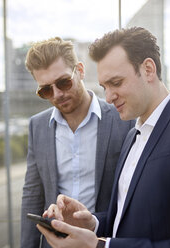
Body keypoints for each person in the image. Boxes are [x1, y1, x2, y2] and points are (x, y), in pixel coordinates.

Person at [38, 27, 170, 248]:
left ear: (148, 69)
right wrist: (91, 223)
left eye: (116, 83)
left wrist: (100, 246)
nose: (109, 97)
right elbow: (127, 219)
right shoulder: (133, 134)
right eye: (104, 87)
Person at [21, 37, 134, 248]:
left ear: (80, 70)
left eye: (63, 82)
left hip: (103, 240)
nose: (57, 94)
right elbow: (32, 195)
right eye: (45, 90)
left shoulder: (122, 119)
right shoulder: (37, 126)